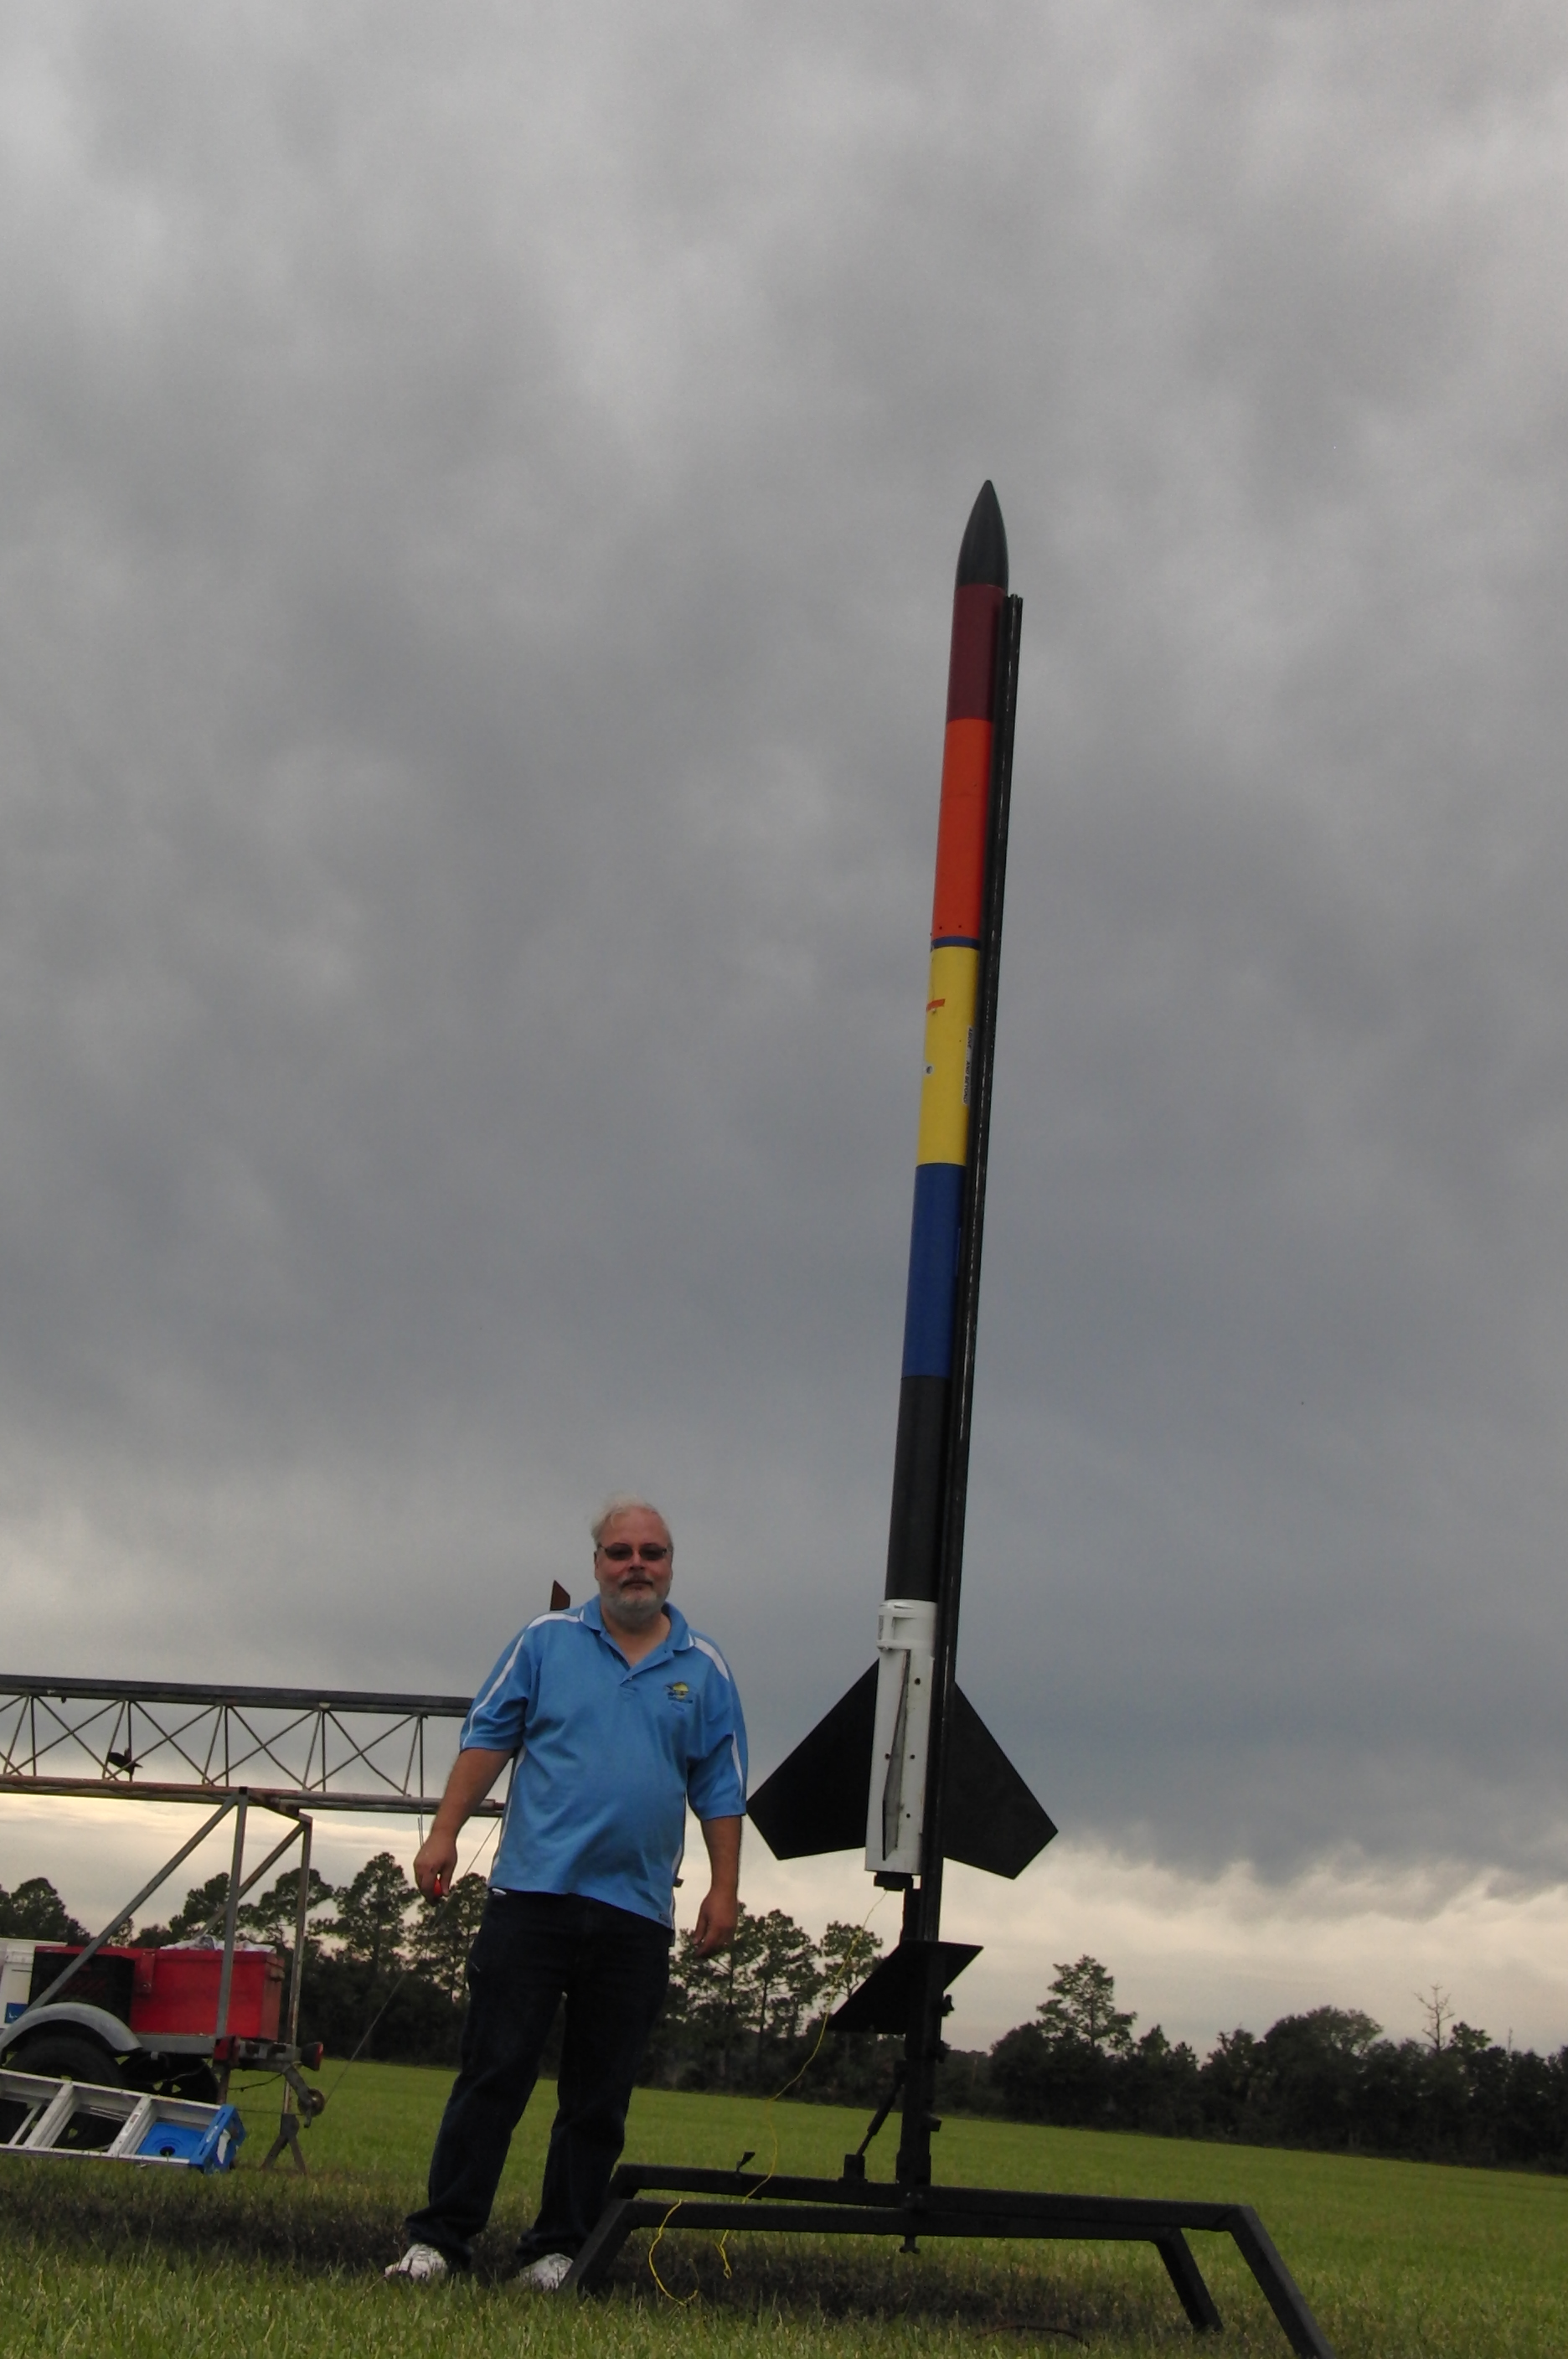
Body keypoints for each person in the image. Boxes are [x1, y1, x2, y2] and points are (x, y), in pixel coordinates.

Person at [385, 1495, 746, 2290]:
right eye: (621, 1552)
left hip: (636, 1914)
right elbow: (487, 1737)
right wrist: (443, 1833)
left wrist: (725, 1888)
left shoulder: (703, 1667)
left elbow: (721, 1786)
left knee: (598, 2097)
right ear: (597, 1565)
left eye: (651, 1553)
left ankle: (557, 2251)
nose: (636, 1566)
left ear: (670, 1565)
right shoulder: (545, 1641)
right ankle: (439, 2242)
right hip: (532, 1900)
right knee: (493, 2074)